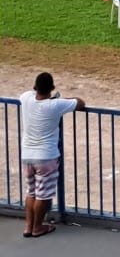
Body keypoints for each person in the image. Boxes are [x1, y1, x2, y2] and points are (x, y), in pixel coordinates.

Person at [20, 72, 83, 239]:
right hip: (46, 157)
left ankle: (28, 227)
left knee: (31, 192)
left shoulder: (26, 98)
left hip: (27, 155)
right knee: (43, 195)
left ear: (35, 87)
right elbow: (80, 103)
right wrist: (59, 99)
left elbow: (30, 95)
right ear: (52, 88)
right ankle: (37, 227)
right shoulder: (55, 105)